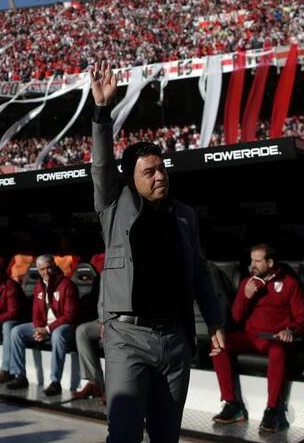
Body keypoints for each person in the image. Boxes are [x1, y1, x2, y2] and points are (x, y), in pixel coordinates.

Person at [89, 60, 226, 442]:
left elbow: (199, 271)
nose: (160, 175)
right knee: (125, 433)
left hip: (175, 340)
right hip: (127, 338)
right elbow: (101, 165)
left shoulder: (185, 217)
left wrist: (214, 321)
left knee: (166, 436)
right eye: (149, 172)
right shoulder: (115, 209)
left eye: (162, 168)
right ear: (130, 180)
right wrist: (102, 111)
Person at [210, 244, 304, 432]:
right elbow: (236, 317)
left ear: (270, 262)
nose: (252, 265)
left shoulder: (290, 283)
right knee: (219, 343)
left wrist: (291, 330)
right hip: (251, 337)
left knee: (277, 350)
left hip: (276, 339)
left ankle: (273, 409)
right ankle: (232, 405)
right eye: (251, 260)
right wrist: (246, 296)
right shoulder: (247, 283)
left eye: (257, 261)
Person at [6, 255, 79, 395]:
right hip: (46, 326)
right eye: (42, 269)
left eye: (48, 268)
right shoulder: (39, 286)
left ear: (54, 266)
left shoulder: (67, 285)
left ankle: (55, 382)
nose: (46, 272)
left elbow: (70, 316)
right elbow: (36, 312)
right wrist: (39, 329)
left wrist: (46, 330)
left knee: (57, 335)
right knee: (16, 331)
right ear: (38, 271)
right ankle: (19, 376)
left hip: (66, 326)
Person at [72, 320, 105, 403]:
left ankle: (115, 388)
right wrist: (103, 322)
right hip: (104, 319)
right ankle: (95, 383)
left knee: (110, 334)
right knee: (82, 331)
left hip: (121, 320)